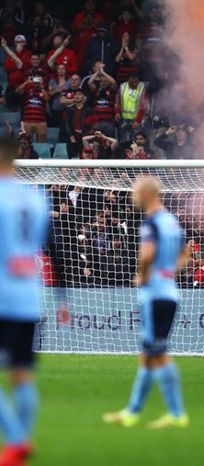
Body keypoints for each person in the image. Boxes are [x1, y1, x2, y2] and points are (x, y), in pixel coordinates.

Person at [103, 177, 189, 429]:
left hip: (155, 296)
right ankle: (132, 412)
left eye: (136, 192)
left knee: (158, 354)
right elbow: (185, 254)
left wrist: (143, 273)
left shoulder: (150, 224)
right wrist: (168, 271)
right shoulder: (171, 221)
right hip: (169, 292)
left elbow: (148, 253)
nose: (133, 196)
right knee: (148, 354)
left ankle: (176, 414)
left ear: (147, 194)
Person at [0, 140, 49, 465]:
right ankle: (23, 442)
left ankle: (16, 439)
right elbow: (44, 244)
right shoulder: (36, 197)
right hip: (29, 296)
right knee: (23, 375)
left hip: (2, 296)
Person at [16, 75, 50, 142]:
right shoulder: (28, 90)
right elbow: (17, 91)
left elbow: (47, 98)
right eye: (36, 80)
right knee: (25, 142)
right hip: (27, 121)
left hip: (40, 121)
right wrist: (27, 82)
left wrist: (42, 87)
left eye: (39, 80)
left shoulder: (45, 90)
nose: (37, 81)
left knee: (42, 143)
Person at [115, 73, 146, 142]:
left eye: (136, 82)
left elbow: (143, 106)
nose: (134, 84)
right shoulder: (122, 87)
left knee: (135, 140)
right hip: (124, 119)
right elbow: (117, 101)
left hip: (136, 119)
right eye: (132, 82)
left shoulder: (142, 88)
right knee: (123, 140)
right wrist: (117, 112)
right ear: (128, 80)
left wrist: (138, 120)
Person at [2, 35, 31, 109]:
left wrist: (17, 61)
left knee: (24, 109)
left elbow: (24, 66)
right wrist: (17, 65)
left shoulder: (29, 53)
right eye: (17, 42)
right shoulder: (10, 54)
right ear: (14, 43)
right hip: (12, 86)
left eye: (21, 42)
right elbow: (6, 67)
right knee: (11, 108)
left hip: (24, 86)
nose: (19, 44)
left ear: (25, 43)